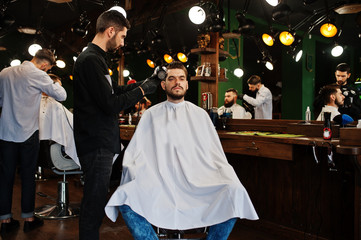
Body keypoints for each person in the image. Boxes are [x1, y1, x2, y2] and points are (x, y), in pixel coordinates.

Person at [105, 61, 258, 240]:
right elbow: (135, 154)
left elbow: (215, 156)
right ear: (163, 85)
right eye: (171, 79)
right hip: (159, 181)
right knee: (125, 197)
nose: (177, 82)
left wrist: (221, 173)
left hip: (198, 182)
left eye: (181, 78)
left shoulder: (200, 115)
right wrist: (140, 173)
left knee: (235, 191)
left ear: (186, 84)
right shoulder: (150, 115)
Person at [73, 9, 161, 240]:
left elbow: (113, 92)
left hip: (100, 139)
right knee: (94, 200)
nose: (122, 42)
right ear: (110, 31)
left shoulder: (97, 59)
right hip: (95, 140)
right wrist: (143, 91)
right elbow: (111, 104)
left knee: (97, 197)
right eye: (122, 36)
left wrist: (142, 83)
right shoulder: (90, 60)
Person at [0, 49, 67, 234]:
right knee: (28, 176)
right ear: (45, 65)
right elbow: (62, 95)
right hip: (28, 133)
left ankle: (5, 221)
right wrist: (50, 82)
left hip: (6, 132)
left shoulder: (4, 73)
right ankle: (29, 218)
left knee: (5, 177)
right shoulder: (38, 74)